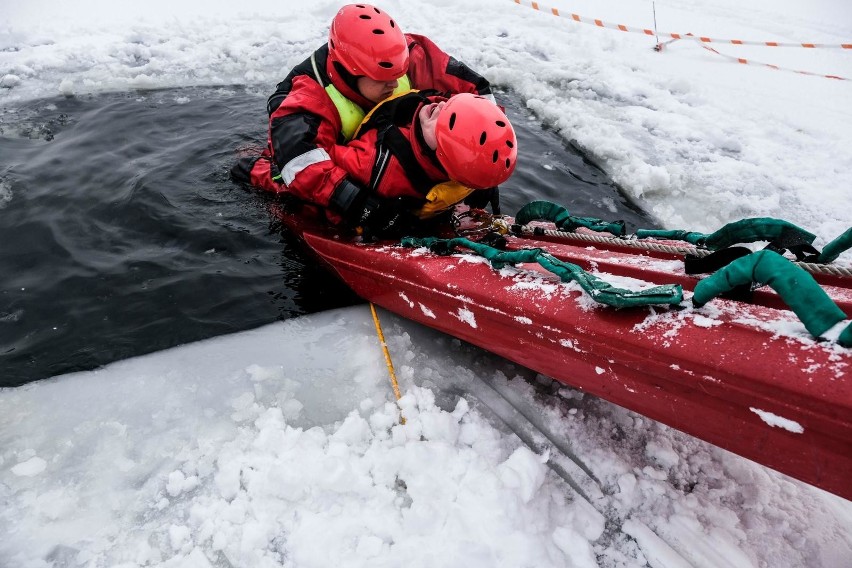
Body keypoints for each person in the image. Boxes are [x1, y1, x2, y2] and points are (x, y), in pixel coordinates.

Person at [231, 3, 498, 227]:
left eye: (399, 74)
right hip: (337, 162)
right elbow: (301, 167)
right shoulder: (305, 99)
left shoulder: (407, 53)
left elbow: (480, 96)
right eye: (383, 79)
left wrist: (480, 161)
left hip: (390, 146)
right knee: (293, 190)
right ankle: (249, 163)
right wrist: (359, 204)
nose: (395, 84)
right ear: (349, 70)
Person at [327, 90, 517, 238]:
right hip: (385, 218)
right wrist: (358, 206)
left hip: (425, 214)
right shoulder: (375, 163)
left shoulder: (469, 172)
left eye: (445, 118)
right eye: (448, 105)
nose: (440, 105)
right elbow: (324, 165)